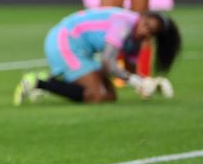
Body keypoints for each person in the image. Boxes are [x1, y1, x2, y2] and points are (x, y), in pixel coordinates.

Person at [13, 8, 180, 105]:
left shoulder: (138, 39)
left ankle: (54, 79)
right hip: (64, 40)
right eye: (145, 25)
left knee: (110, 97)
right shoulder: (124, 24)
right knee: (96, 95)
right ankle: (40, 83)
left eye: (150, 32)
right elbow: (108, 62)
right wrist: (138, 81)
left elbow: (129, 70)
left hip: (83, 51)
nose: (144, 31)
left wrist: (148, 85)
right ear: (142, 17)